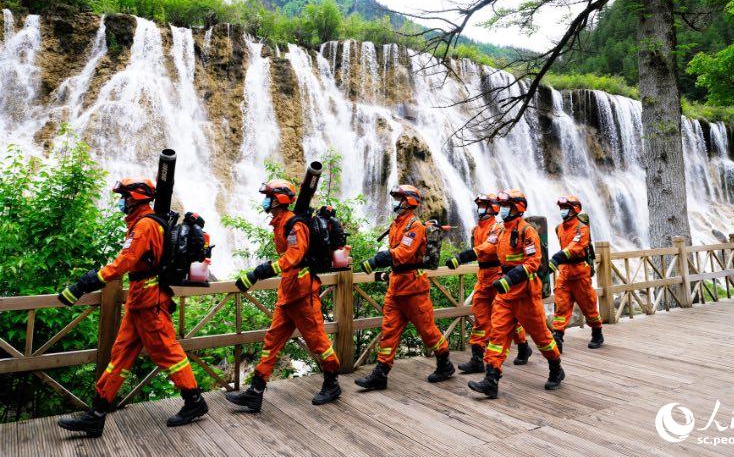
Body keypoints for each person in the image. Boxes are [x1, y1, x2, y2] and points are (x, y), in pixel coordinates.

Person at [57, 178, 207, 438]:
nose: (121, 202)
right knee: (120, 356)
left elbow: (125, 262)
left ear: (136, 198)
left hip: (150, 302)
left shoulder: (145, 225)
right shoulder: (143, 223)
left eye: (124, 197)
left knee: (167, 352)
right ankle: (97, 414)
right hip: (139, 300)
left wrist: (85, 284)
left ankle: (194, 401)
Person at [226, 180, 341, 409]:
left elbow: (293, 257)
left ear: (279, 199)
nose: (265, 200)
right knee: (272, 340)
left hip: (302, 293)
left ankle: (332, 382)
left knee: (318, 340)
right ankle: (256, 392)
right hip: (288, 293)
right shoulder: (280, 223)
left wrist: (261, 271)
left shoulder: (294, 225)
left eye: (268, 196)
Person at [355, 185, 454, 390]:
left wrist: (377, 259)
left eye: (399, 198)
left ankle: (444, 362)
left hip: (413, 287)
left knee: (427, 331)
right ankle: (381, 374)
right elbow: (395, 253)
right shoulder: (396, 224)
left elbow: (403, 253)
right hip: (396, 285)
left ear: (409, 201)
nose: (395, 201)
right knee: (389, 330)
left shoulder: (415, 226)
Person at [468, 189, 564, 398]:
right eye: (500, 205)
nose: (501, 210)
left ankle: (556, 367)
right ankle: (491, 380)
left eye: (506, 206)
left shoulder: (527, 232)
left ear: (517, 208)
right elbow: (487, 247)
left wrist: (510, 278)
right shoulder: (501, 230)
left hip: (525, 294)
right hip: (505, 293)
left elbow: (533, 262)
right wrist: (465, 255)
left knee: (542, 337)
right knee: (497, 335)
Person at [447, 193, 532, 373]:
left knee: (505, 316)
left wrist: (463, 257)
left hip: (497, 274)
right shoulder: (476, 229)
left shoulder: (497, 227)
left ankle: (523, 345)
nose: (480, 209)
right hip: (482, 275)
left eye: (484, 205)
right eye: (479, 205)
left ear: (493, 208)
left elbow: (488, 247)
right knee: (480, 317)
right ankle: (477, 358)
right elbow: (478, 248)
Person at [550, 195, 603, 351]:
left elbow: (576, 246)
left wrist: (557, 257)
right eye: (561, 208)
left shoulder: (582, 228)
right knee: (561, 306)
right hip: (565, 273)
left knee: (588, 306)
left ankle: (597, 332)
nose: (562, 211)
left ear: (574, 210)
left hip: (579, 273)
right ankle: (558, 337)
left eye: (565, 208)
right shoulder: (559, 228)